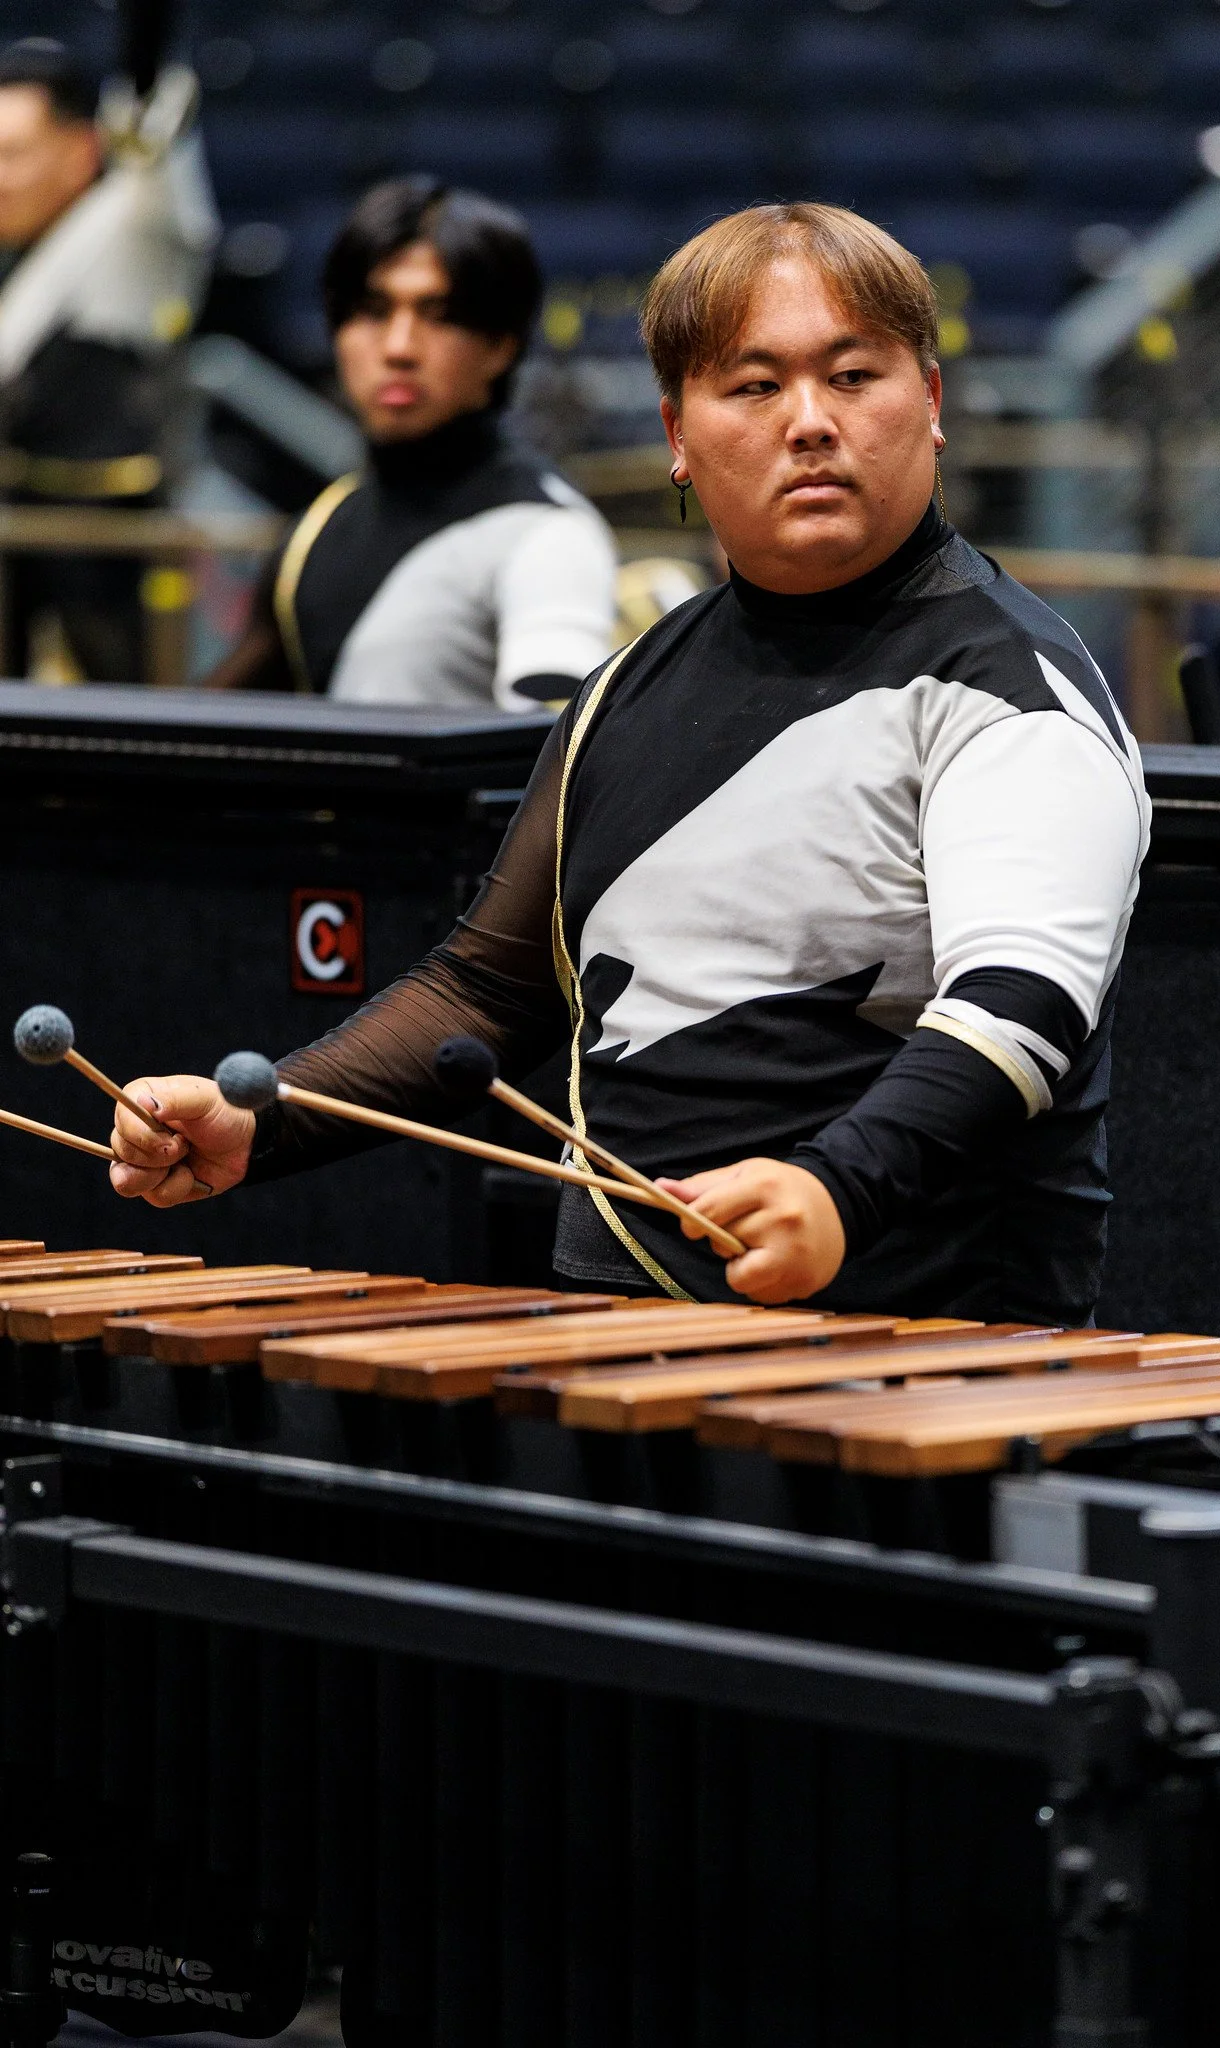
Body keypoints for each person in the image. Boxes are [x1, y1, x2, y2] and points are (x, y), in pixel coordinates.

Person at [110, 202, 1150, 1325]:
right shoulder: (629, 684)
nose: (810, 422)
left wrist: (836, 1186)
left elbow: (1018, 1008)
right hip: (628, 1330)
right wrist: (263, 1116)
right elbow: (486, 985)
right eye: (754, 387)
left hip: (920, 1355)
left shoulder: (1013, 688)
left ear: (932, 403)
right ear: (678, 436)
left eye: (854, 376)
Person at [203, 177, 617, 711]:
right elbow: (217, 728)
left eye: (439, 315)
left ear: (500, 347)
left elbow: (562, 760)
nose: (399, 347)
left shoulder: (549, 536)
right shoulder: (318, 529)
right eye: (374, 311)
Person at [0, 37, 216, 680]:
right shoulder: (22, 258)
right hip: (23, 574)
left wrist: (144, 66)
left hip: (118, 579)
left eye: (13, 155)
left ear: (81, 148)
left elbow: (156, 141)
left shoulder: (133, 226)